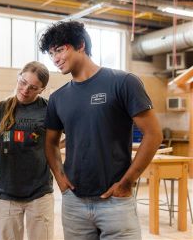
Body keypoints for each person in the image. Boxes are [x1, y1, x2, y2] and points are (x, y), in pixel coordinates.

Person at [39, 21, 163, 240]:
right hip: (74, 203)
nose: (55, 58)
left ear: (80, 45)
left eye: (59, 49)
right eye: (50, 54)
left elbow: (153, 134)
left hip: (116, 202)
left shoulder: (123, 82)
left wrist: (127, 182)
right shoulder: (58, 98)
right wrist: (60, 180)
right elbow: (49, 143)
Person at [0, 61, 54, 240]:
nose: (25, 90)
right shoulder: (1, 107)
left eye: (33, 88)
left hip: (39, 191)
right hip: (8, 191)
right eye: (23, 82)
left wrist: (51, 147)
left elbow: (69, 132)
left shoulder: (48, 109)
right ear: (18, 77)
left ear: (42, 89)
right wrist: (1, 143)